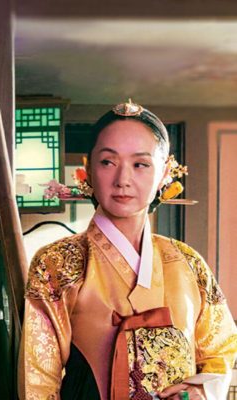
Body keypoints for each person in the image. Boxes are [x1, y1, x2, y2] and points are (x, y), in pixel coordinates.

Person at [20, 100, 237, 400]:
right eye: (108, 162)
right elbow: (37, 378)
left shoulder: (189, 263)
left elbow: (221, 349)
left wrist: (201, 389)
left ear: (164, 173)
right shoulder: (56, 262)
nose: (123, 180)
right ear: (88, 169)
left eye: (140, 164)